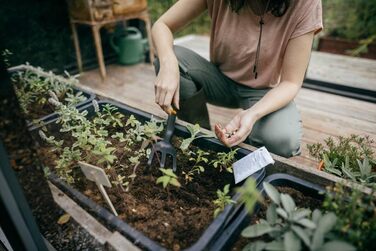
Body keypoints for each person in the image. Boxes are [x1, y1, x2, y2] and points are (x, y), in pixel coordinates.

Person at [151, 0, 323, 157]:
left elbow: (291, 82)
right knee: (174, 59)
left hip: (264, 93)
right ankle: (200, 142)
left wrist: (253, 114)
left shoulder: (306, 4)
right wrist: (167, 62)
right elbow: (162, 25)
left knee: (282, 141)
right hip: (218, 80)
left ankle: (243, 145)